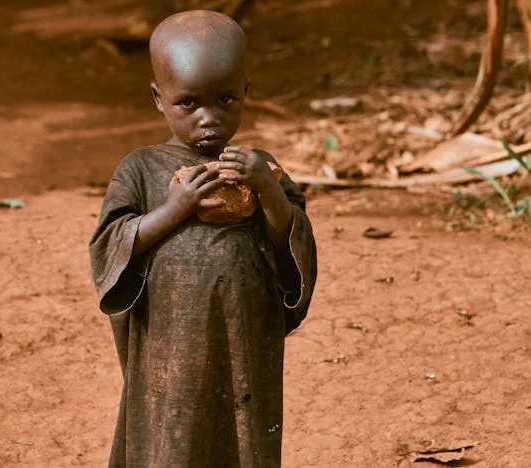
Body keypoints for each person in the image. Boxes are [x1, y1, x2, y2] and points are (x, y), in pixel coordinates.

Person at [89, 9, 317, 467]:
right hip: (170, 341)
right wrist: (174, 210)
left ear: (246, 92)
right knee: (170, 434)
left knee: (243, 432)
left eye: (226, 100)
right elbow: (110, 245)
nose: (209, 119)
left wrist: (269, 189)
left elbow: (289, 244)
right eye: (189, 103)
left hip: (244, 334)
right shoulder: (141, 167)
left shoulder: (258, 166)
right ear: (159, 99)